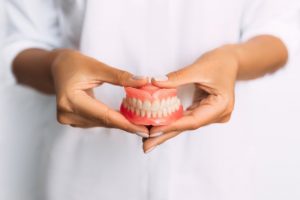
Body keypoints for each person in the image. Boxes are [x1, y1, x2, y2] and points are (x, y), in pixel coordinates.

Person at [2, 0, 300, 199]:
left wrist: (234, 60)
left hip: (216, 173)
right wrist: (57, 67)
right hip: (84, 176)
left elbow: (277, 32)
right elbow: (22, 44)